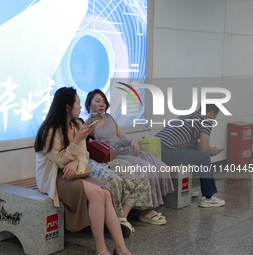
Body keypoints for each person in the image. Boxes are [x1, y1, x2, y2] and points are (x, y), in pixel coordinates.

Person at [35, 87, 131, 255]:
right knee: (97, 194)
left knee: (106, 193)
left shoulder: (78, 124)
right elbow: (59, 161)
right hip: (55, 177)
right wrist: (78, 139)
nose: (80, 107)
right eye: (78, 103)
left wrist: (77, 161)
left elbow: (85, 153)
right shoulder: (48, 131)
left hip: (76, 172)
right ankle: (100, 247)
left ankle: (121, 247)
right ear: (67, 107)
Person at [85, 89, 174, 228]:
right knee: (147, 170)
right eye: (97, 101)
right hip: (115, 155)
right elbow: (96, 146)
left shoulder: (109, 117)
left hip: (126, 149)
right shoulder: (88, 124)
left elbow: (122, 134)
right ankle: (145, 211)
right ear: (88, 103)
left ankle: (147, 207)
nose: (101, 104)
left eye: (104, 101)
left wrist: (132, 141)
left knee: (160, 166)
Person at [155, 104, 225, 208]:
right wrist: (213, 150)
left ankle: (185, 189)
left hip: (156, 149)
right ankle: (208, 197)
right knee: (204, 158)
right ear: (212, 112)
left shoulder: (189, 116)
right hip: (168, 151)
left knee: (193, 154)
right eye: (215, 116)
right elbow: (204, 149)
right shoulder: (206, 119)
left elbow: (191, 145)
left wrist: (206, 149)